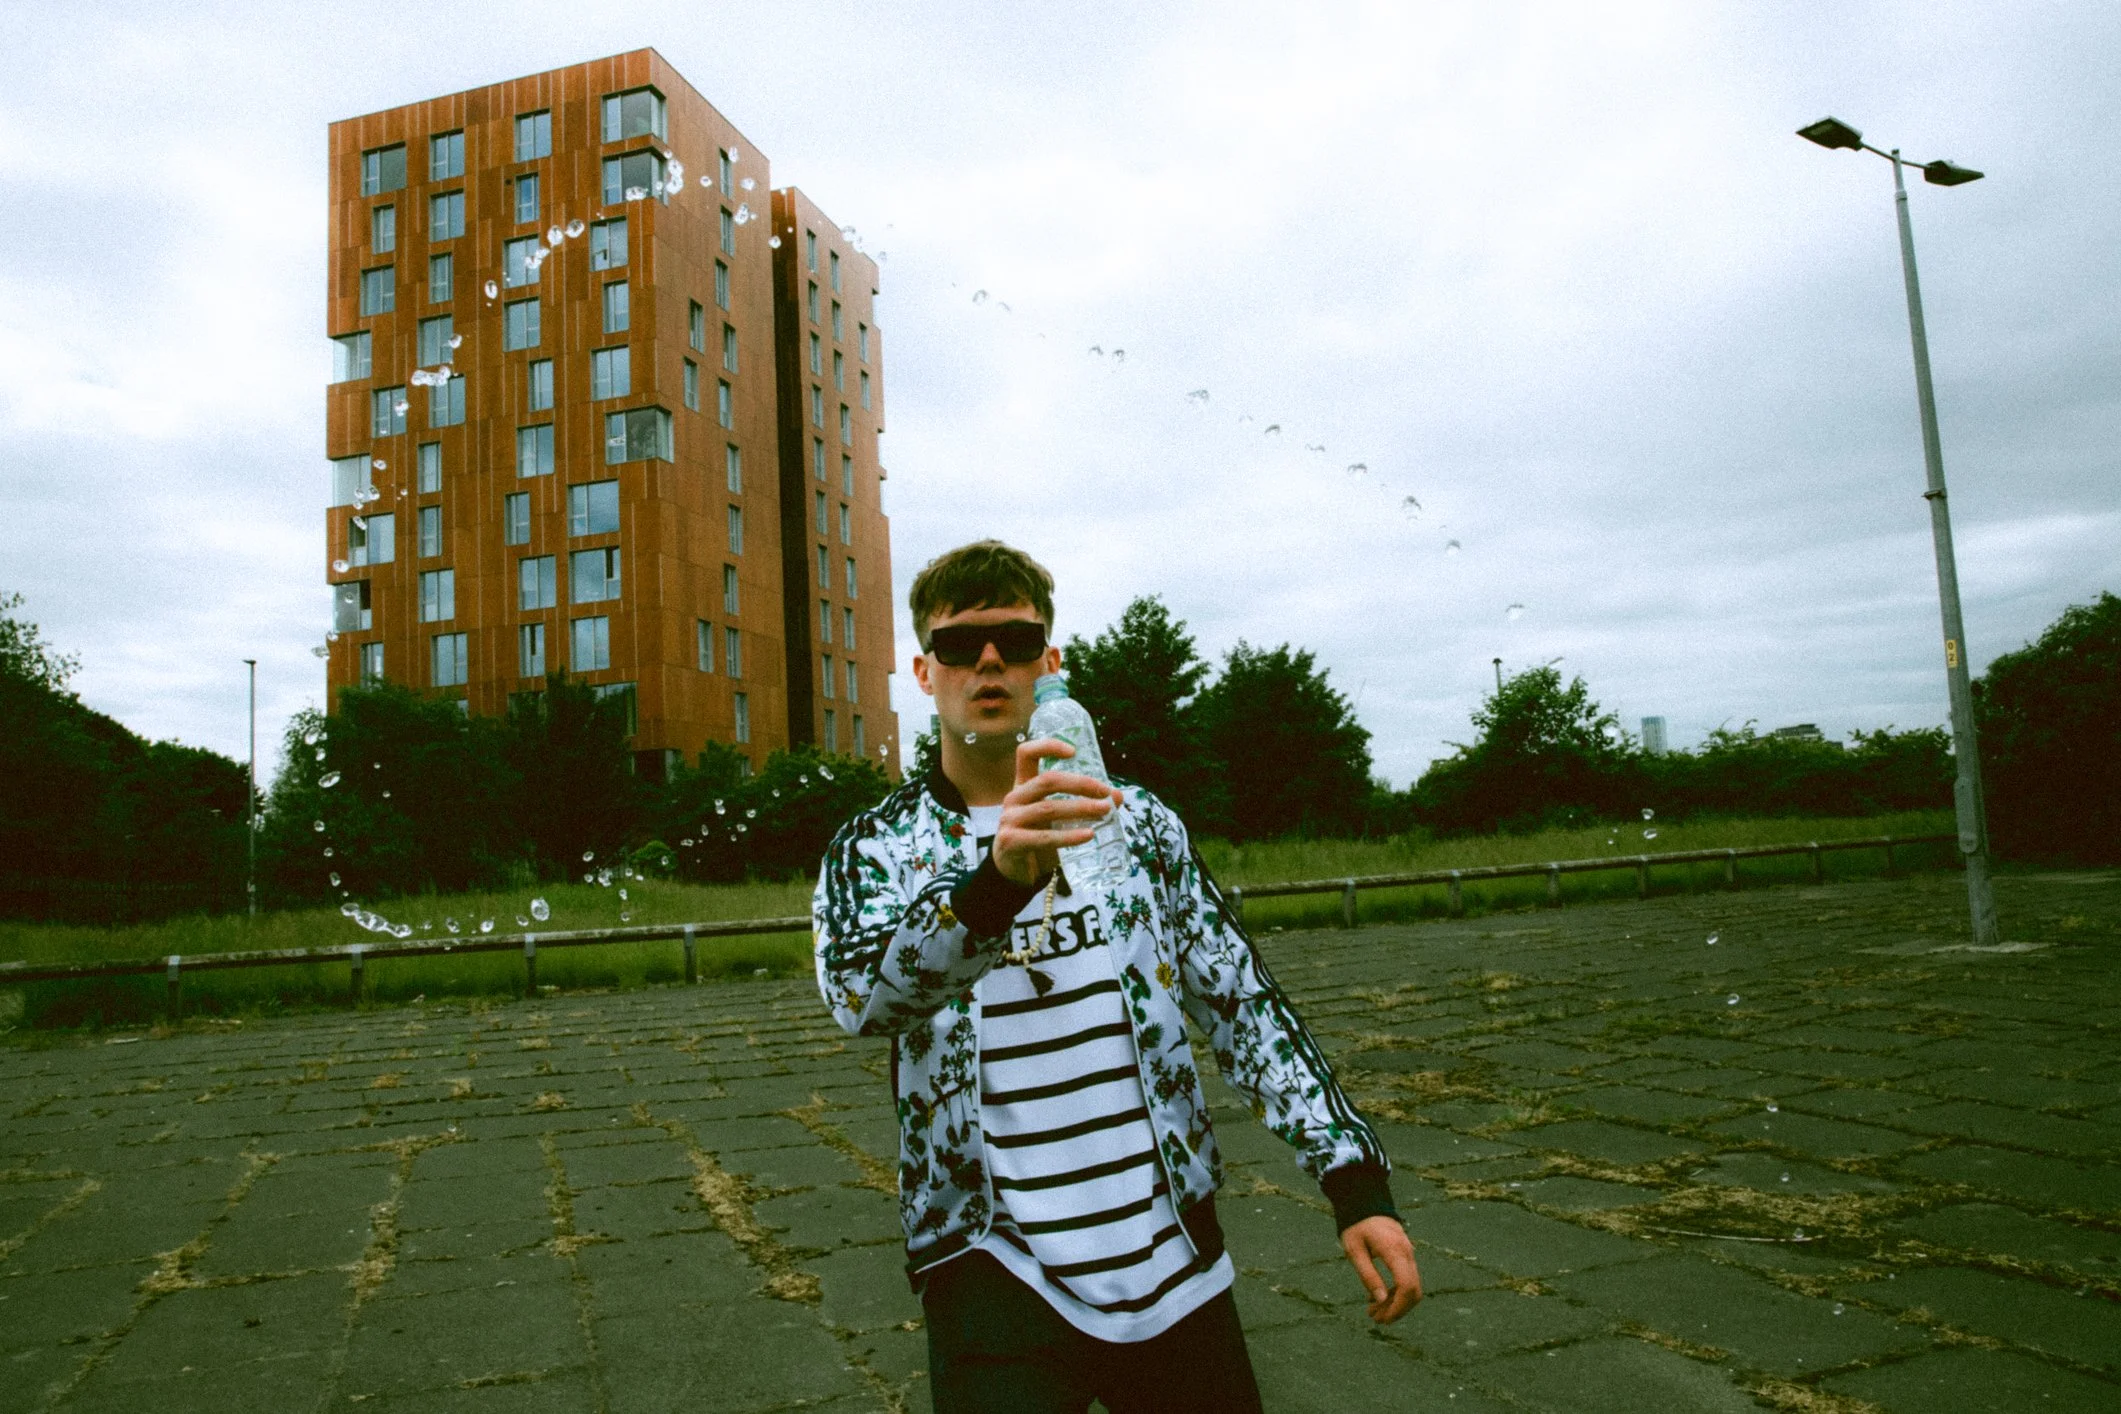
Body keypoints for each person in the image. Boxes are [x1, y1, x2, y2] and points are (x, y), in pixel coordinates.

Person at [813, 540, 1419, 1412]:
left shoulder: (1136, 826)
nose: (989, 661)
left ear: (1049, 664)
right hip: (992, 1267)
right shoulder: (875, 846)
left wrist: (1354, 1183)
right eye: (959, 646)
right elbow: (861, 1003)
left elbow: (1243, 1007)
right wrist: (993, 886)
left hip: (1173, 1257)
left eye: (1017, 642)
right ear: (922, 670)